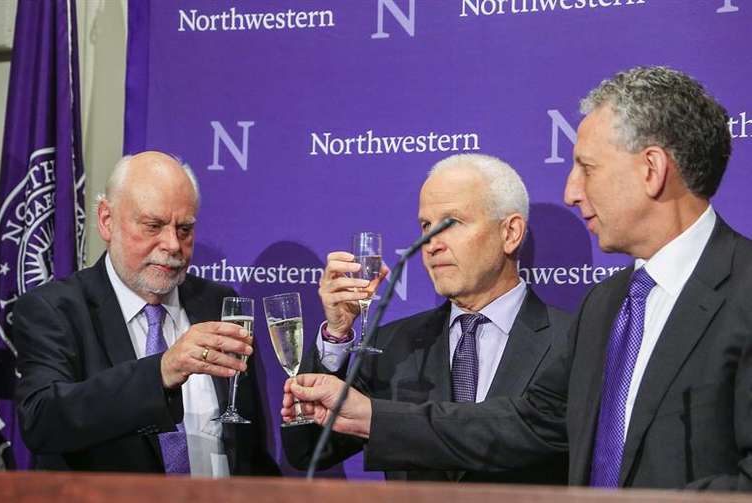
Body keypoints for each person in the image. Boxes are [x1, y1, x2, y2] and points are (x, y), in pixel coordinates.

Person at [284, 66, 752, 490]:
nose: (570, 191)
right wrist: (372, 416)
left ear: (651, 170)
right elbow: (528, 423)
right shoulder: (608, 305)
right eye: (425, 227)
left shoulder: (741, 291)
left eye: (586, 169)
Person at [282, 154, 570, 483]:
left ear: (511, 232)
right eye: (425, 226)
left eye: (451, 223)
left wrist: (377, 417)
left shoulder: (572, 341)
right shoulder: (392, 345)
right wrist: (336, 335)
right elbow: (307, 450)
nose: (430, 244)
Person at [14, 151, 278, 476]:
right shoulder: (55, 310)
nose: (172, 244)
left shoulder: (219, 304)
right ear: (107, 221)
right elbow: (43, 420)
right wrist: (162, 371)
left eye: (184, 229)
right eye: (153, 226)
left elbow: (250, 450)